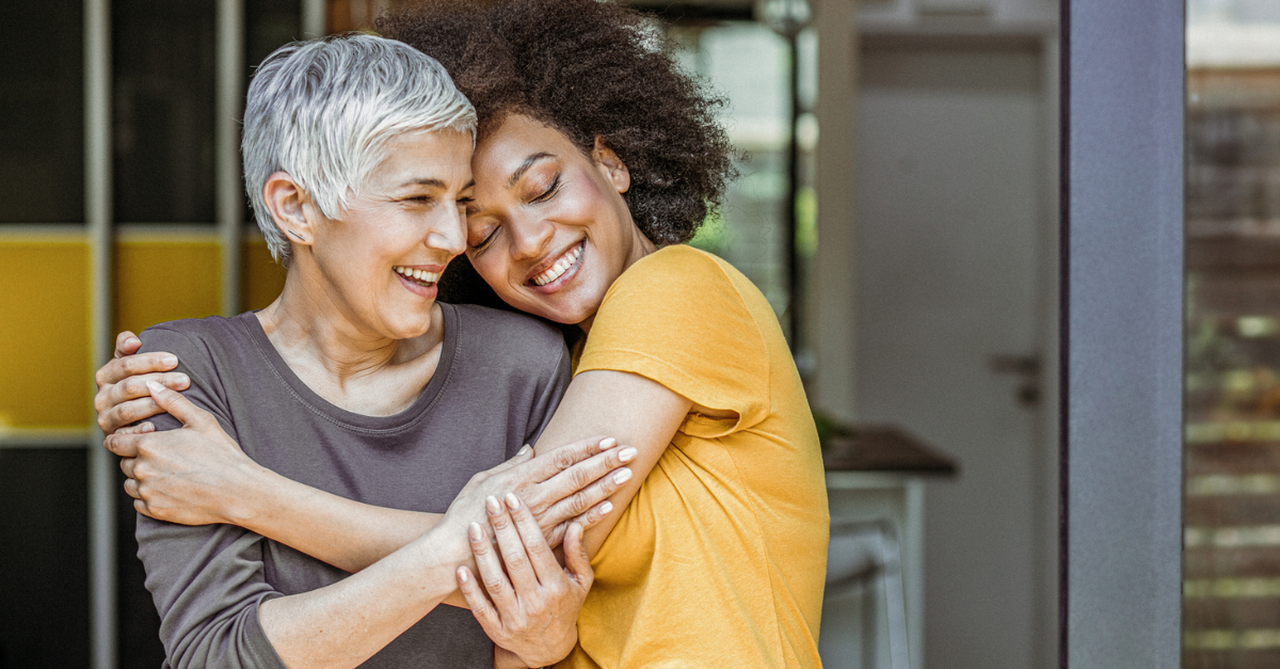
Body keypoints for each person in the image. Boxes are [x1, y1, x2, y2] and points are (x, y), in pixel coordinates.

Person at [97, 1, 831, 667]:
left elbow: (522, 551)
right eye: (482, 229)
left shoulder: (675, 289)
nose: (530, 240)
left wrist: (244, 491)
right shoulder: (568, 355)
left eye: (542, 187)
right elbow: (525, 617)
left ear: (610, 161)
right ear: (297, 208)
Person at [108, 33, 638, 669]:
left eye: (461, 203)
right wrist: (455, 554)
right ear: (296, 208)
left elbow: (550, 620)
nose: (451, 237)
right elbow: (216, 656)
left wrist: (544, 635)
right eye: (416, 199)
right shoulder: (185, 373)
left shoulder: (521, 362)